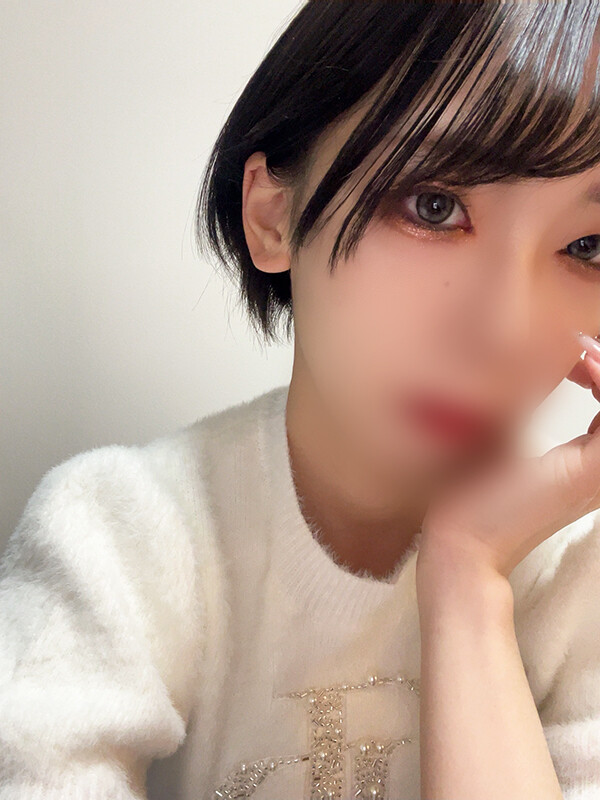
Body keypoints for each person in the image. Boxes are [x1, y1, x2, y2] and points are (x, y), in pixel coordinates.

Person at [2, 1, 600, 798]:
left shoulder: (579, 577)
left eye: (588, 246)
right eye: (433, 205)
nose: (503, 330)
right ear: (272, 213)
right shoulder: (119, 539)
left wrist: (469, 576)